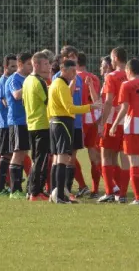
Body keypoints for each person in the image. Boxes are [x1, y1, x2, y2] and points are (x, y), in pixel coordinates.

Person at [48, 60, 100, 204]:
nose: (74, 75)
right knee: (63, 159)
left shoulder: (56, 84)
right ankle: (59, 196)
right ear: (63, 70)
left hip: (54, 122)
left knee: (58, 159)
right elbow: (70, 108)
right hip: (63, 123)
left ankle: (55, 194)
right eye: (72, 71)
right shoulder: (61, 85)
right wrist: (90, 107)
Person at [110, 58, 139, 205]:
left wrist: (114, 124)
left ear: (128, 71)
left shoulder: (126, 85)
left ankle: (137, 198)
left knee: (134, 161)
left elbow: (124, 108)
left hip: (133, 125)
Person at [51, 46, 88, 198]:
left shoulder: (78, 77)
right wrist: (90, 108)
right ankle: (58, 191)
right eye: (70, 56)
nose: (73, 59)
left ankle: (65, 190)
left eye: (75, 56)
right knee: (60, 157)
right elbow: (68, 105)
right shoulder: (59, 79)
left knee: (70, 157)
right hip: (62, 121)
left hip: (75, 122)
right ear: (63, 59)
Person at [97, 47, 129, 203]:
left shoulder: (112, 76)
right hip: (128, 122)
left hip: (112, 120)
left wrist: (101, 123)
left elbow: (109, 101)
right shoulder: (131, 76)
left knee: (106, 155)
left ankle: (109, 192)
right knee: (124, 157)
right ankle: (122, 194)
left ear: (115, 57)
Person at [22, 52, 51, 201]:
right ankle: (35, 192)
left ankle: (30, 190)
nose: (48, 67)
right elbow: (49, 102)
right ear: (36, 65)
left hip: (31, 124)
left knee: (36, 159)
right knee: (41, 159)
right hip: (42, 124)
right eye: (45, 64)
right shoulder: (39, 82)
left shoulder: (27, 81)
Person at [4, 52, 33, 199]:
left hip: (28, 121)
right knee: (17, 153)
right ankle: (14, 190)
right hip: (17, 121)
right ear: (20, 64)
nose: (31, 67)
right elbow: (16, 95)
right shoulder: (14, 79)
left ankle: (21, 188)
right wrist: (30, 84)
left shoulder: (29, 78)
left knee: (23, 154)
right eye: (29, 64)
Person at [76, 52, 102, 198]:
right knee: (94, 153)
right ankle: (95, 189)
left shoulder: (74, 76)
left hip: (80, 116)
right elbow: (96, 97)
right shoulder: (94, 77)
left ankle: (82, 185)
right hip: (93, 117)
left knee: (69, 153)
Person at [0, 54, 17, 197]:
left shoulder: (11, 80)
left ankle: (8, 185)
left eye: (16, 66)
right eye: (12, 66)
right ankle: (0, 188)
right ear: (5, 67)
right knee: (6, 155)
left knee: (10, 154)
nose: (15, 69)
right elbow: (5, 102)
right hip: (5, 124)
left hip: (10, 123)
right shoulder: (3, 82)